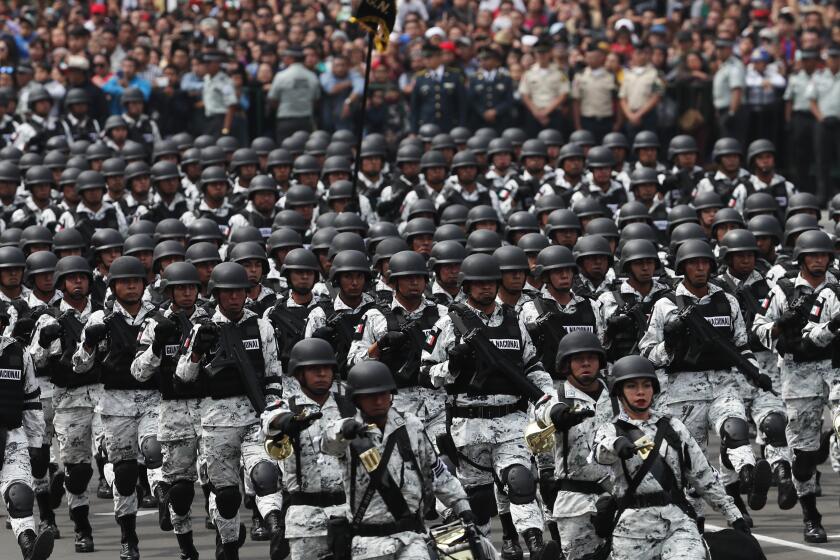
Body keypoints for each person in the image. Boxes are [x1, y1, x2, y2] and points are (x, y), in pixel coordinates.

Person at [422, 253, 559, 560]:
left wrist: (548, 398)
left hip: (512, 417)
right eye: (478, 284)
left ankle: (536, 547)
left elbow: (533, 366)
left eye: (490, 283)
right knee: (478, 501)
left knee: (520, 481)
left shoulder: (514, 321)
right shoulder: (448, 323)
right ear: (467, 286)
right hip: (468, 423)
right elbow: (426, 374)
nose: (486, 289)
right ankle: (475, 553)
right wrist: (451, 366)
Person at [639, 239, 771, 530]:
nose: (700, 268)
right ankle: (693, 526)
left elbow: (741, 346)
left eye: (705, 263)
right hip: (681, 393)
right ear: (682, 267)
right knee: (691, 465)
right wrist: (670, 344)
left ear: (712, 266)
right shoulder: (666, 305)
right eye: (693, 263)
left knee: (735, 427)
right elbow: (647, 353)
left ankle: (748, 474)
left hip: (723, 383)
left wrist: (755, 372)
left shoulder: (728, 300)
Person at [175, 262, 284, 560]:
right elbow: (184, 376)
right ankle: (229, 545)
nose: (235, 298)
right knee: (225, 496)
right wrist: (198, 350)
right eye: (228, 293)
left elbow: (274, 374)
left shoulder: (262, 326)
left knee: (265, 474)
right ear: (217, 295)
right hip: (215, 422)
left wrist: (272, 412)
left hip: (254, 417)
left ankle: (276, 528)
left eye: (240, 292)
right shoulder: (201, 328)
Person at [592, 355, 749, 559]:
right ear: (619, 392)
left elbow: (703, 476)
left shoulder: (673, 427)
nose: (640, 392)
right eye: (632, 386)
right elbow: (599, 453)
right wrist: (617, 444)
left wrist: (734, 515)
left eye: (646, 385)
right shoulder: (610, 430)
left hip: (677, 522)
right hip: (633, 528)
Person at [321, 360, 479, 560]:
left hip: (411, 539)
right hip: (368, 544)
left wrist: (461, 506)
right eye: (371, 396)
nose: (378, 401)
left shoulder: (411, 426)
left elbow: (437, 473)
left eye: (383, 394)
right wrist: (343, 430)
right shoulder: (347, 433)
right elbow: (328, 443)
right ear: (357, 399)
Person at [71, 256, 161, 560]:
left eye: (137, 281)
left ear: (144, 284)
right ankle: (128, 536)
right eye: (125, 282)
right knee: (123, 475)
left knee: (153, 449)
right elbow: (79, 366)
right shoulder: (100, 319)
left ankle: (163, 495)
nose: (132, 286)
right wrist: (88, 344)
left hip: (152, 400)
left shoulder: (158, 318)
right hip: (115, 404)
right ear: (114, 286)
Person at [753, 230, 838, 542]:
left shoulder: (838, 285)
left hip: (836, 368)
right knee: (803, 457)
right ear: (801, 258)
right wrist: (778, 326)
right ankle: (811, 516)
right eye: (813, 255)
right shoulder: (783, 290)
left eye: (824, 255)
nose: (819, 260)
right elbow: (757, 329)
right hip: (798, 373)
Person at [260, 338, 354, 560]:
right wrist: (286, 422)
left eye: (327, 369)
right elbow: (268, 423)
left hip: (347, 510)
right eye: (314, 369)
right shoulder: (286, 406)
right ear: (299, 374)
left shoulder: (349, 406)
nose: (322, 374)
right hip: (305, 516)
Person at [267, 48, 320, 141]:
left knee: (285, 152)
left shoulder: (281, 76)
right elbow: (316, 100)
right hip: (306, 120)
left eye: (285, 57)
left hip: (286, 120)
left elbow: (273, 99)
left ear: (291, 59)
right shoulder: (312, 76)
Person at [201, 51, 237, 138]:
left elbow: (231, 105)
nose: (206, 65)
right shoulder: (206, 78)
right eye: (205, 63)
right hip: (208, 119)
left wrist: (226, 128)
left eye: (209, 63)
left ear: (217, 64)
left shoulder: (225, 81)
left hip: (220, 119)